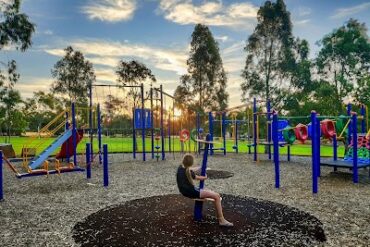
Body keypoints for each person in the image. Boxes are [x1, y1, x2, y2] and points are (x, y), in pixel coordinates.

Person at [176, 154, 233, 227]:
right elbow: (198, 177)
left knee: (207, 191)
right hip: (191, 192)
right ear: (191, 163)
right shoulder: (189, 172)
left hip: (185, 191)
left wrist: (200, 167)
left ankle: (221, 219)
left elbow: (191, 169)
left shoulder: (181, 168)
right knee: (216, 196)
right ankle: (221, 220)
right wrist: (205, 177)